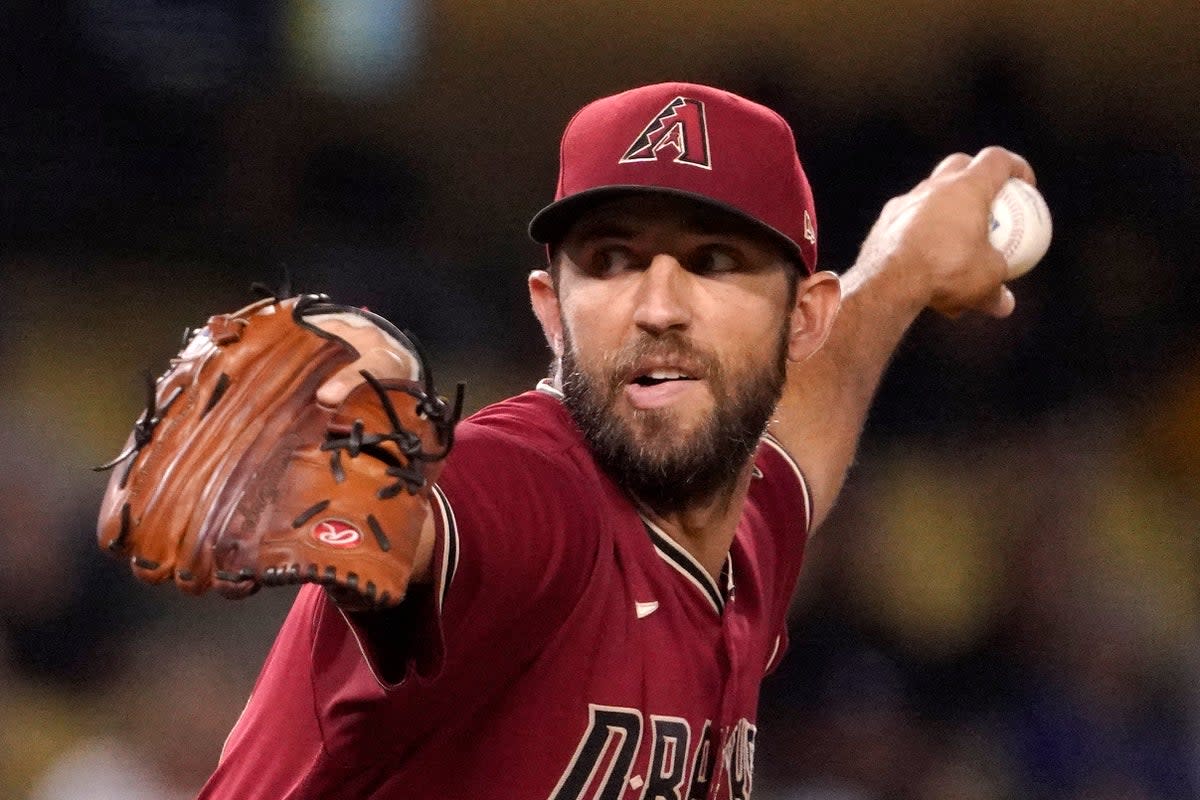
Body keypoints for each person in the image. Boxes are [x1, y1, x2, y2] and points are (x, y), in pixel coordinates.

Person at [198, 82, 1033, 799]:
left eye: (712, 261)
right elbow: (436, 523)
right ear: (550, 310)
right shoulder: (534, 489)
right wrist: (327, 484)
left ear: (803, 317)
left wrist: (903, 264)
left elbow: (808, 419)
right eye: (610, 261)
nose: (658, 306)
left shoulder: (740, 527)